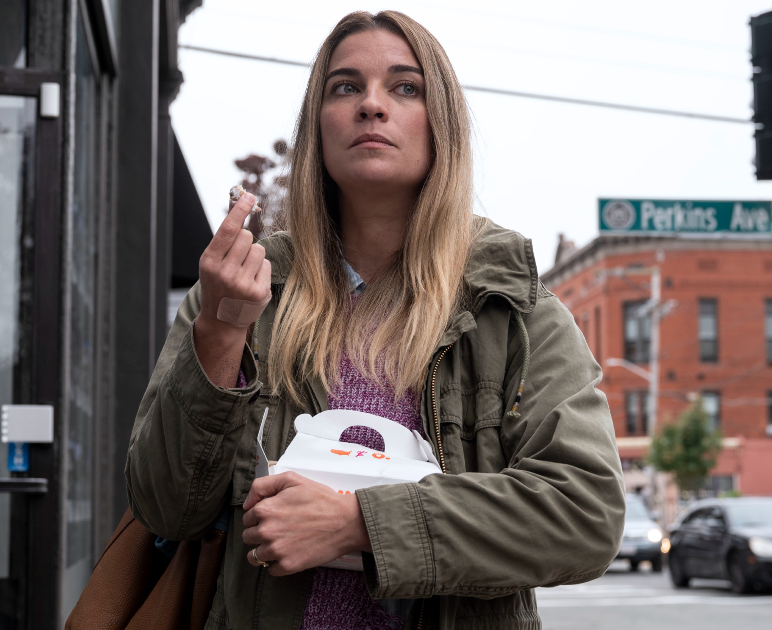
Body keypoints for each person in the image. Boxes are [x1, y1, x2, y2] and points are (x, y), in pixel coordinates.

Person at [126, 10, 624, 630]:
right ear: (317, 125)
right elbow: (167, 510)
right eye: (345, 86)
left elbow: (584, 514)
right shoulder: (245, 289)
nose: (371, 105)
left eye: (404, 86)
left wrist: (357, 522)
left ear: (440, 122)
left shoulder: (513, 308)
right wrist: (222, 332)